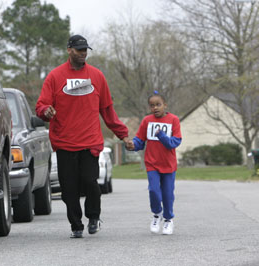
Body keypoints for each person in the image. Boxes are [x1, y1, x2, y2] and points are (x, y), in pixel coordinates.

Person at [36, 34, 131, 238]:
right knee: (69, 189)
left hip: (90, 141)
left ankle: (93, 216)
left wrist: (123, 135)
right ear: (69, 50)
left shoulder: (97, 76)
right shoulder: (55, 76)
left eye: (85, 50)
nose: (83, 53)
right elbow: (41, 105)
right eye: (79, 50)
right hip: (64, 142)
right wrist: (46, 111)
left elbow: (107, 111)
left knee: (90, 181)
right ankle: (76, 225)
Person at [127, 91, 182, 235]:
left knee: (168, 194)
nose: (155, 108)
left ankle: (168, 219)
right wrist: (133, 144)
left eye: (158, 105)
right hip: (152, 163)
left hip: (168, 164)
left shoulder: (173, 120)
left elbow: (174, 142)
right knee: (153, 190)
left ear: (165, 105)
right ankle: (157, 214)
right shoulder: (147, 121)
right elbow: (140, 139)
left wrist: (161, 135)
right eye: (152, 106)